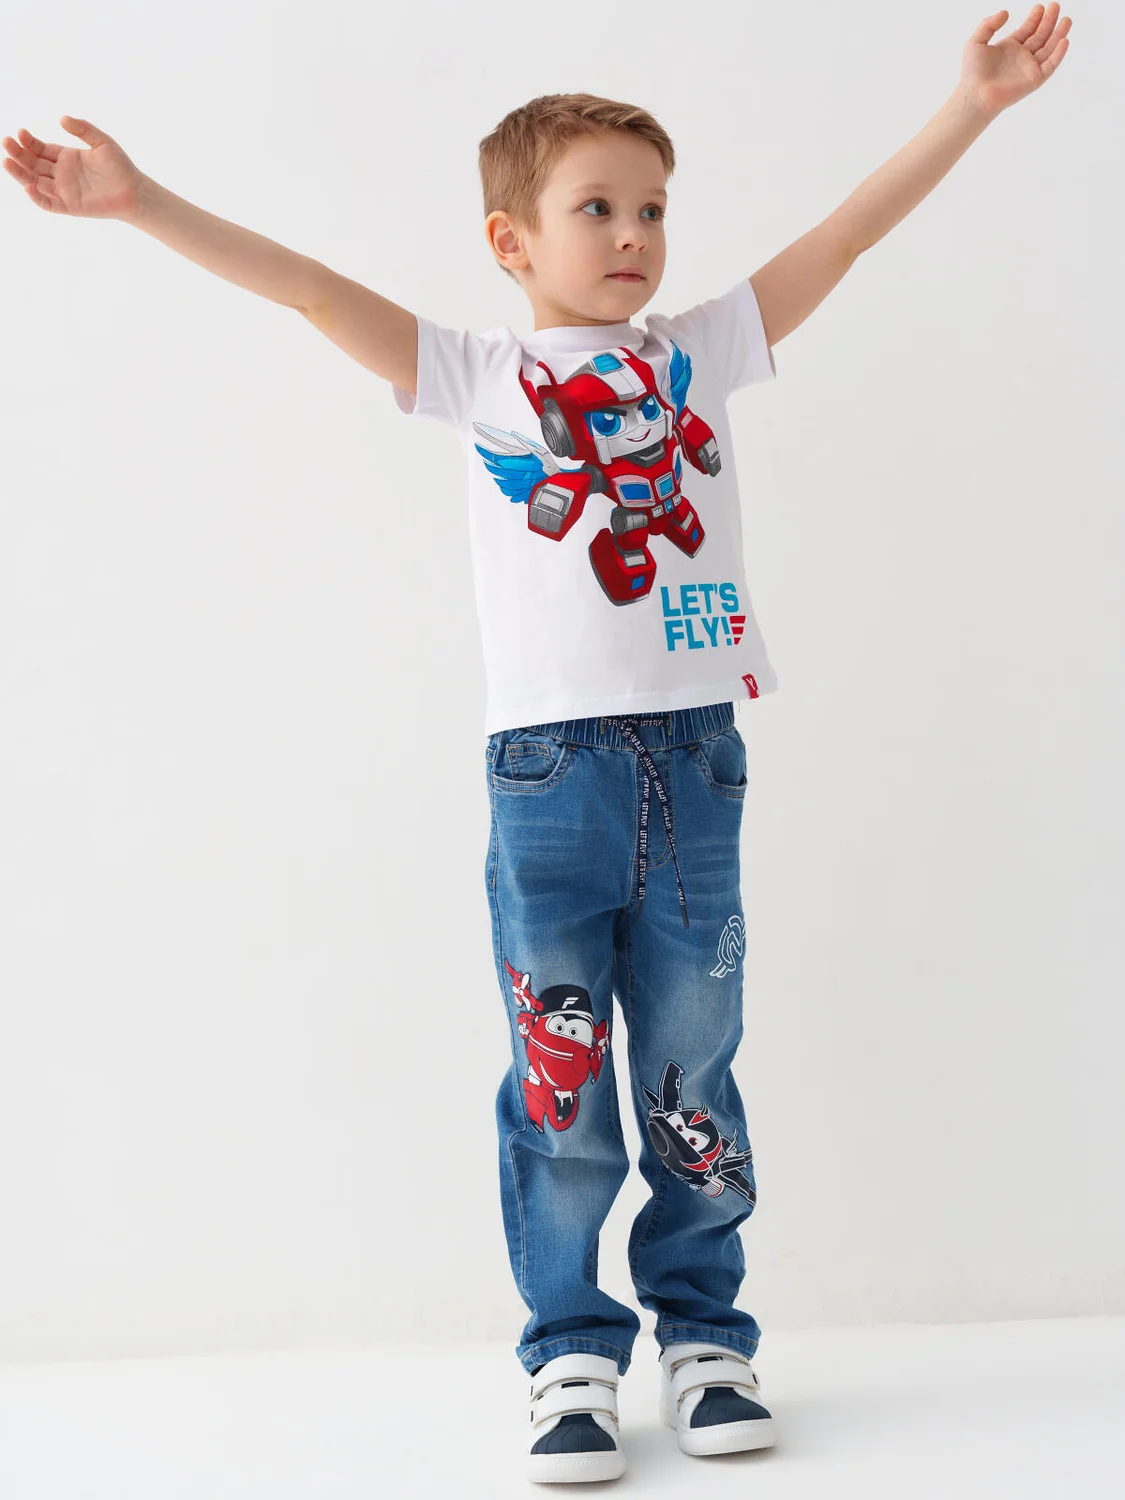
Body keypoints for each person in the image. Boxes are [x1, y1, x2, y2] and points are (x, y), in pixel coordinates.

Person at [2, 5, 1071, 1484]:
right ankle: (570, 1351)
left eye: (653, 209)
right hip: (550, 779)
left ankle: (707, 1339)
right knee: (559, 1078)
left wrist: (971, 110)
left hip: (694, 761)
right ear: (510, 239)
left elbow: (844, 234)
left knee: (692, 1068)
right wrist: (141, 204)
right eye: (598, 208)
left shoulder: (699, 352)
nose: (634, 235)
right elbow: (307, 288)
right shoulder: (474, 373)